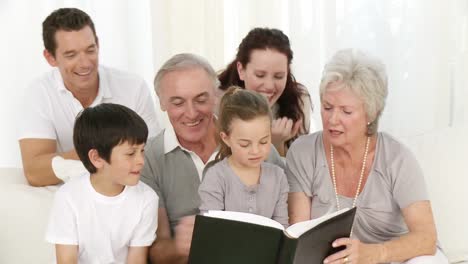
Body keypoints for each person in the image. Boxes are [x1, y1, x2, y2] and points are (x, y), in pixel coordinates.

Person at [286, 49, 448, 263]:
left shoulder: (397, 159)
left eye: (346, 111)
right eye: (327, 107)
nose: (333, 119)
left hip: (391, 257)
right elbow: (300, 235)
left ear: (370, 114)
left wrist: (375, 254)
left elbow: (426, 238)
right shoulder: (303, 152)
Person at [140, 53, 285, 264]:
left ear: (215, 96)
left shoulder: (255, 147)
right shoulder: (150, 159)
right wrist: (178, 246)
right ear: (161, 103)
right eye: (178, 102)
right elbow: (156, 251)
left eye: (201, 99)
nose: (191, 113)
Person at [18, 8, 160, 187]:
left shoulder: (133, 87)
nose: (85, 63)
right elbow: (35, 172)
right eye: (71, 55)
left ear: (98, 44)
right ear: (50, 58)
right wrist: (105, 148)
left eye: (90, 50)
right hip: (72, 196)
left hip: (128, 194)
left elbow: (153, 156)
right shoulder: (38, 94)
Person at [45, 103, 158, 264]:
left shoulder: (147, 199)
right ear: (97, 158)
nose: (141, 161)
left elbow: (136, 260)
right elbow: (66, 260)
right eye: (131, 153)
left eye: (142, 150)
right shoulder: (68, 197)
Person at [199, 87, 289, 227]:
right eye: (245, 144)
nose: (255, 150)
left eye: (264, 141)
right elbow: (210, 231)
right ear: (226, 138)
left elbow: (282, 227)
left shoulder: (278, 177)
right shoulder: (216, 177)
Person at [218, 27, 314, 156]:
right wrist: (271, 143)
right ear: (241, 70)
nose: (269, 86)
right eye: (260, 75)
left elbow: (296, 172)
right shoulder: (219, 103)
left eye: (279, 76)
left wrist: (278, 145)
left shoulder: (298, 100)